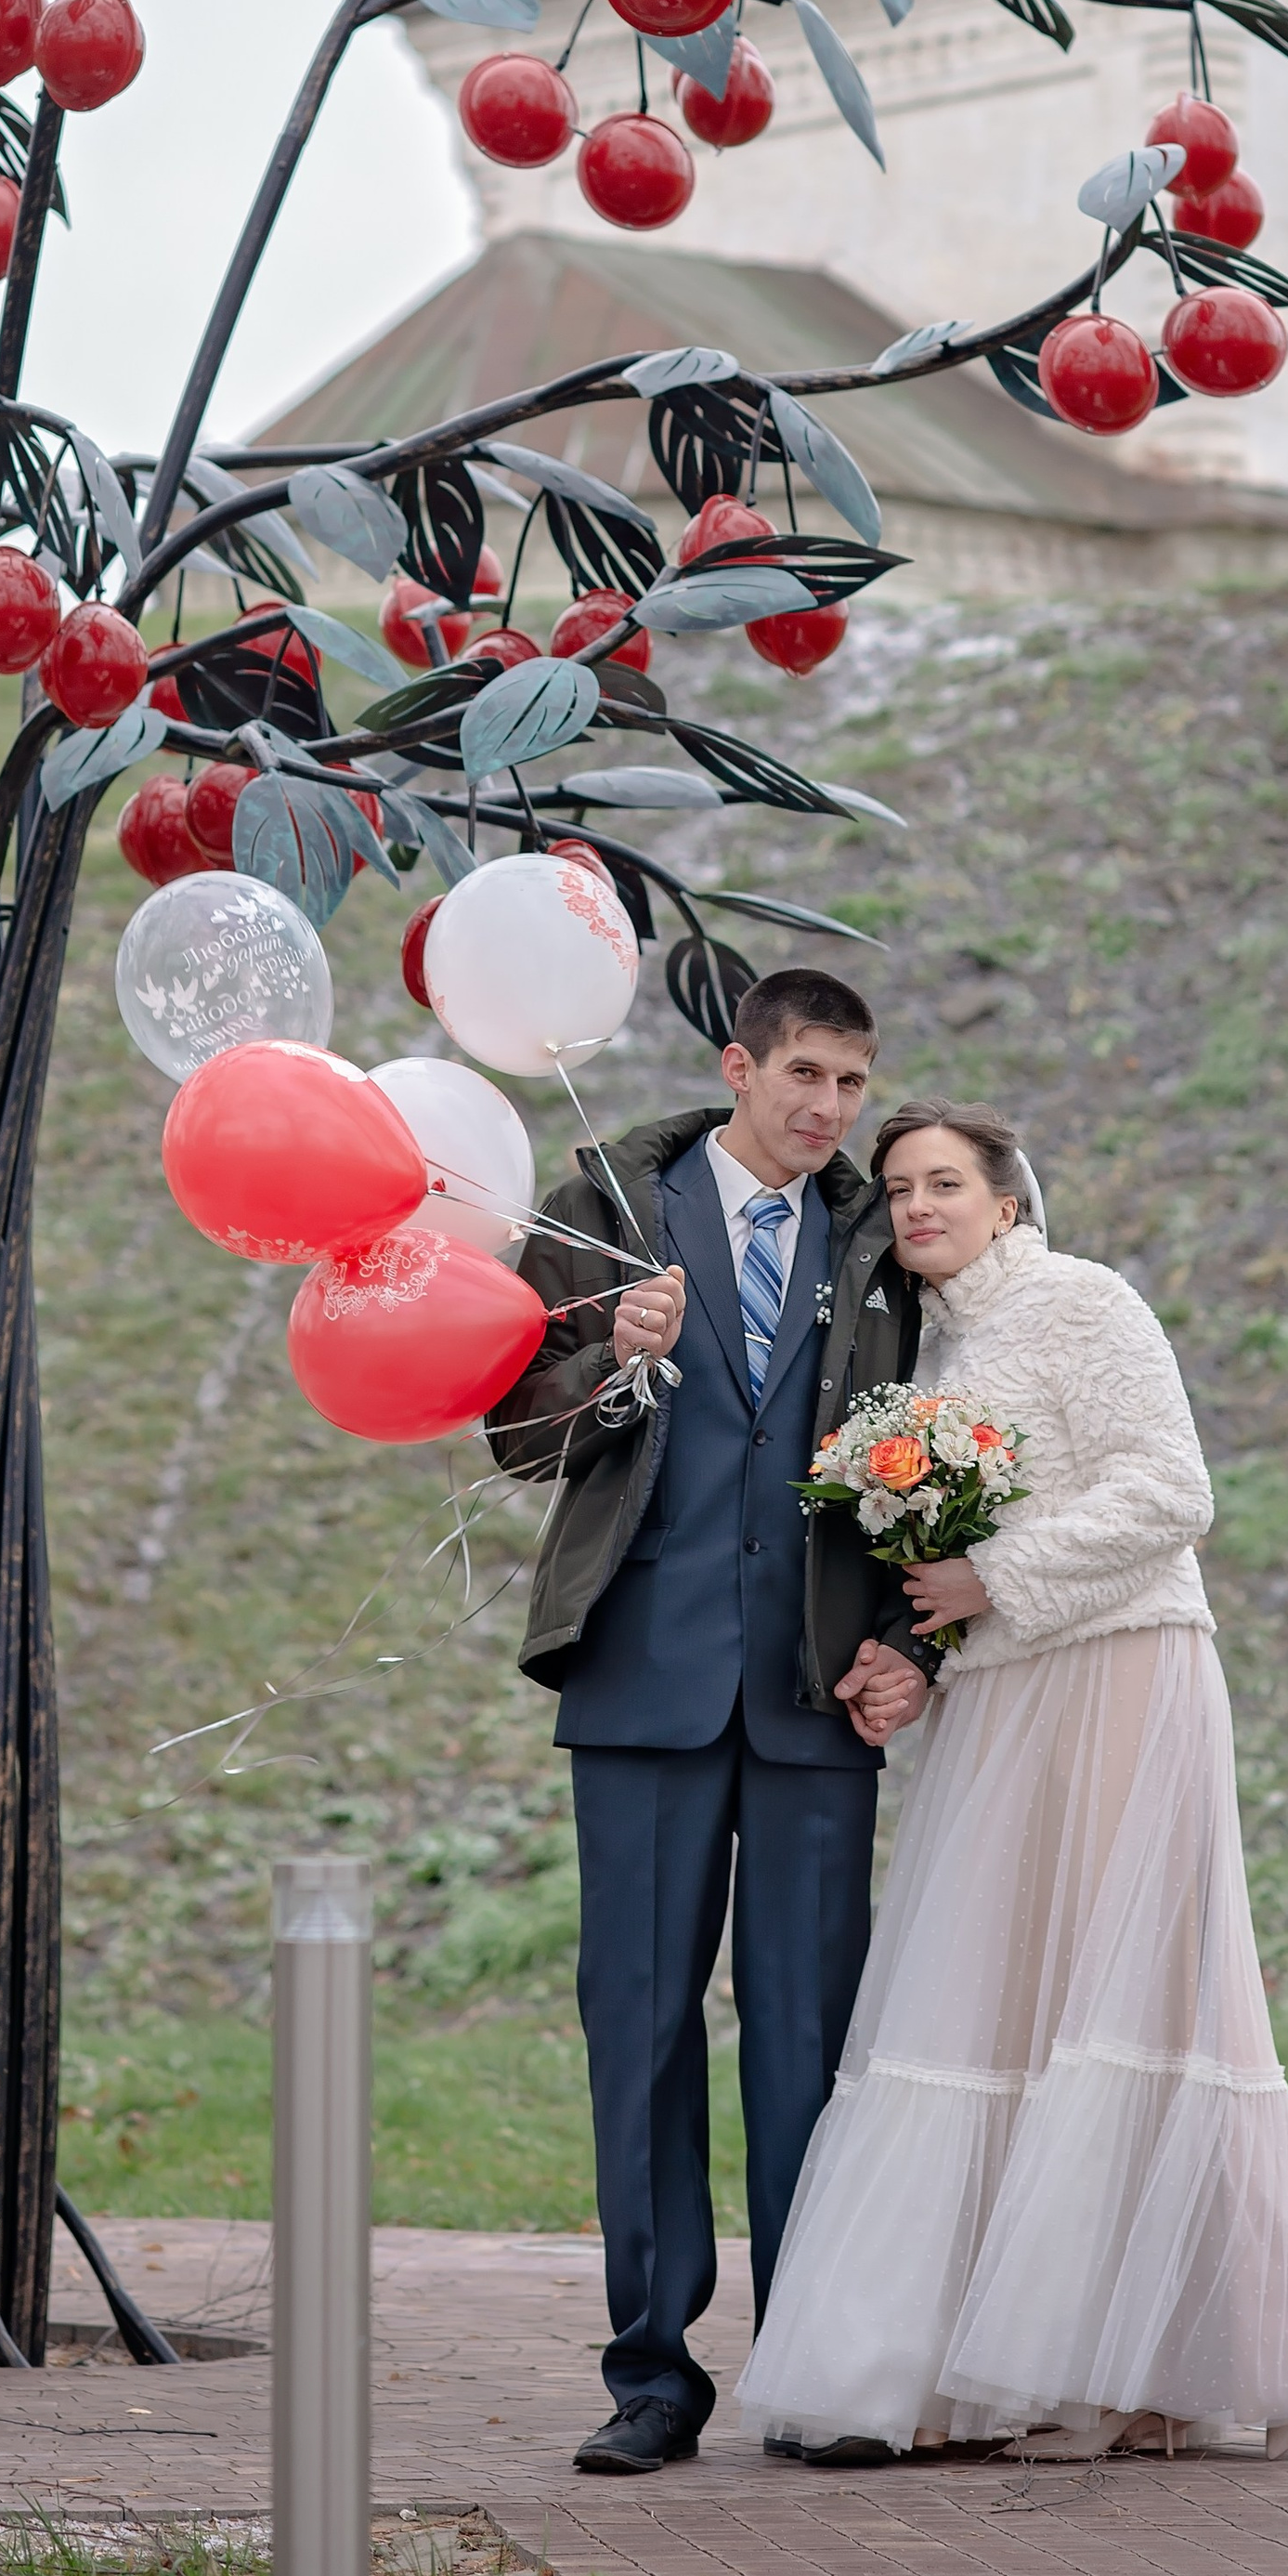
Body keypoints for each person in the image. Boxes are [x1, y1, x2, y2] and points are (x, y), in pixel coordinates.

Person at [735, 1098, 1288, 2465]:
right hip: (1008, 1698)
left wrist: (991, 1578)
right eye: (900, 1187)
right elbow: (947, 1550)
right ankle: (1003, 2358)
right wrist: (922, 1649)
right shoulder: (928, 1348)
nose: (918, 1206)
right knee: (1003, 2003)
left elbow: (1173, 1493)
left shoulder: (1088, 1305)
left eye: (946, 1182)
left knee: (1124, 2003)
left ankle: (1148, 2366)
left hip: (1127, 1679)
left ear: (1008, 1201)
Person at [485, 968, 932, 2478]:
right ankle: (651, 2374)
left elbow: (944, 1446)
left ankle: (809, 2369)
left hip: (817, 1691)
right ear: (739, 1063)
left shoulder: (885, 1238)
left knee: (810, 2039)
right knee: (643, 2031)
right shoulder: (607, 1202)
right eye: (805, 1074)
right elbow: (514, 1425)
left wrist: (904, 1638)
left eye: (853, 1084)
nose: (828, 1110)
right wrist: (614, 1363)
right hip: (644, 1682)